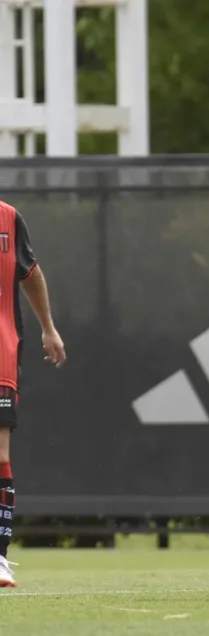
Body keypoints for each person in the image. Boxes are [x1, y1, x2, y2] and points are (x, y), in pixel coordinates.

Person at [0, 201, 67, 587]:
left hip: (2, 355)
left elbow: (30, 272)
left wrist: (48, 327)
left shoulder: (9, 218)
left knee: (0, 455)